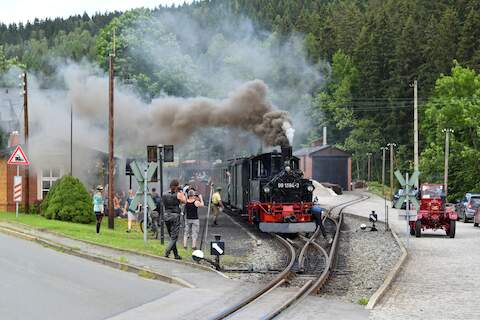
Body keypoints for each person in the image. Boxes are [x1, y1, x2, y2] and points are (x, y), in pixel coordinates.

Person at [162, 179, 186, 259]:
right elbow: (184, 201)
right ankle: (167, 252)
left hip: (166, 216)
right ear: (177, 186)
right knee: (174, 237)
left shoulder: (164, 194)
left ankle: (176, 255)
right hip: (175, 216)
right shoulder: (178, 194)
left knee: (172, 237)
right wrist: (182, 192)